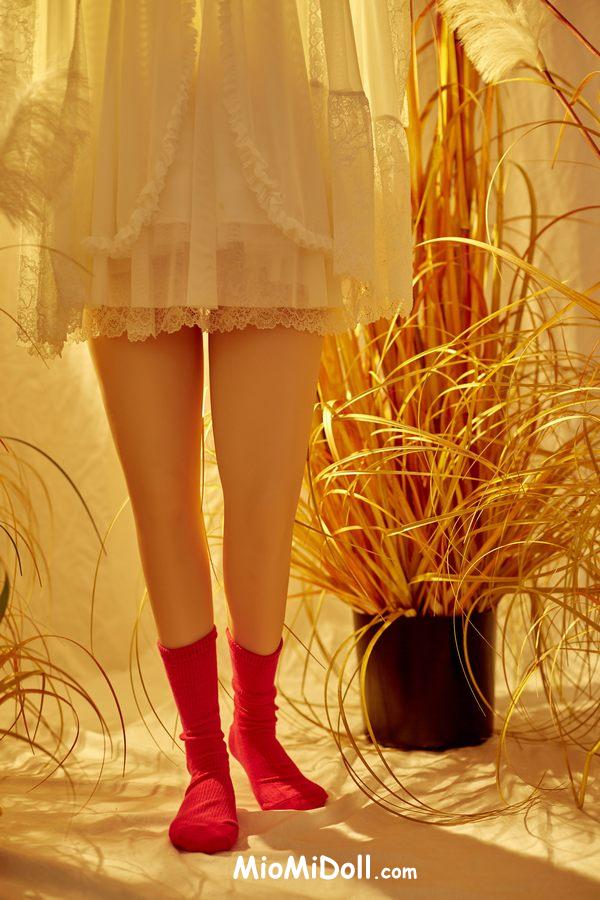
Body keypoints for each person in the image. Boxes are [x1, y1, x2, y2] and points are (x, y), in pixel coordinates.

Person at [6, 0, 413, 854]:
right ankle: (203, 761)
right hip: (124, 163)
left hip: (268, 160)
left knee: (265, 498)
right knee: (161, 499)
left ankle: (255, 732)